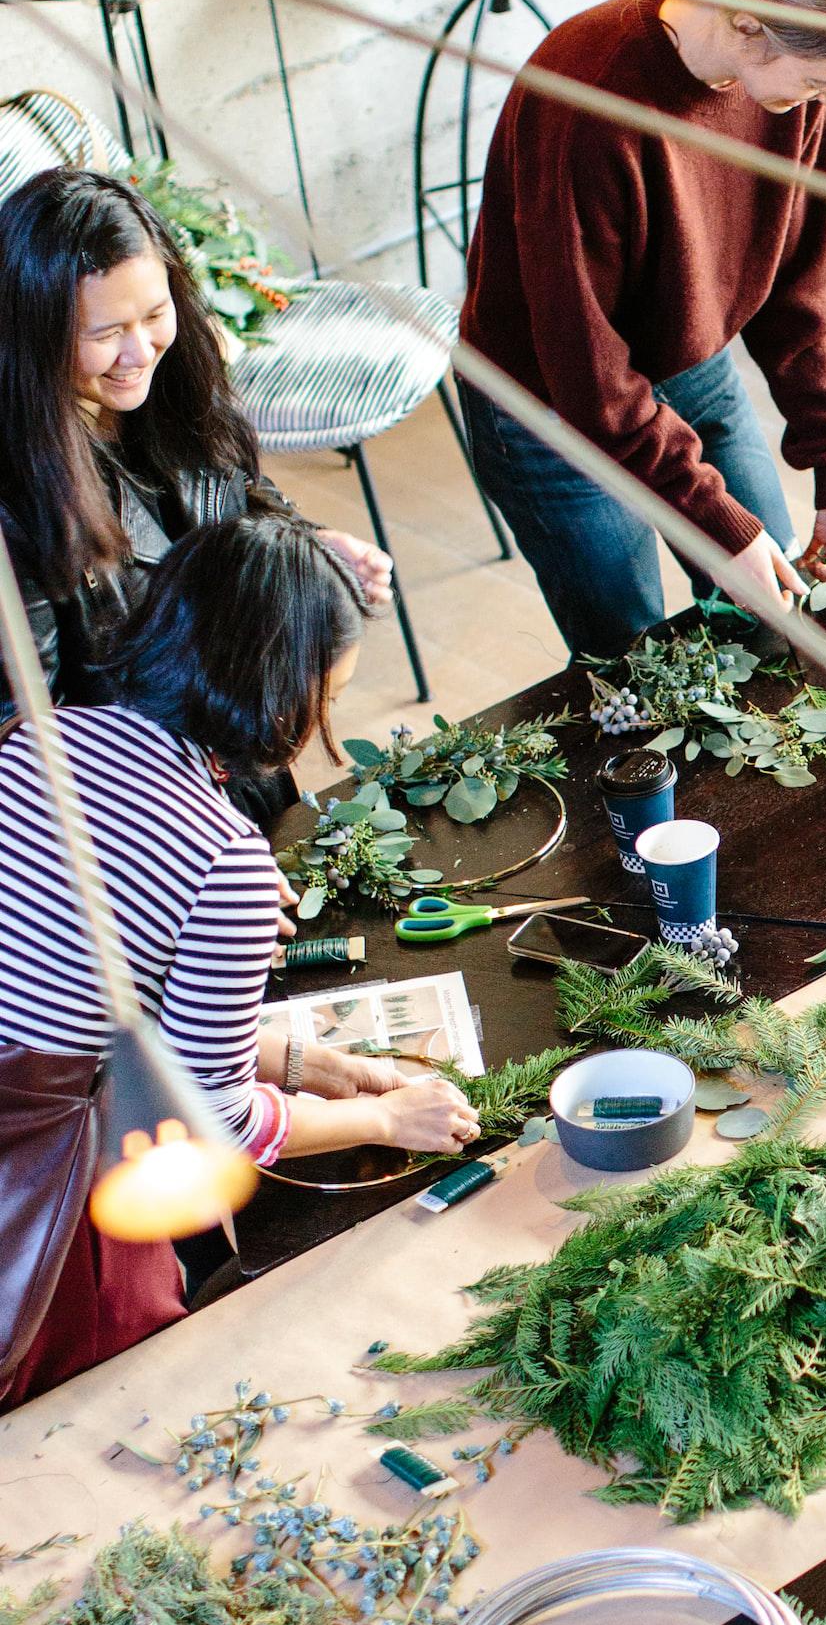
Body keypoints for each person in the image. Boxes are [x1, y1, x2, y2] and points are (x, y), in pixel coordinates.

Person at [1, 514, 479, 1405]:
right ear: (281, 687)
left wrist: (317, 1062)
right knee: (105, 1404)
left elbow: (102, 997)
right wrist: (390, 1120)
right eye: (327, 698)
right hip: (53, 1194)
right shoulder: (223, 857)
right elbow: (221, 1122)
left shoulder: (43, 740)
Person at [459, 0, 826, 658]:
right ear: (747, 25)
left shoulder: (789, 97)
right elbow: (589, 373)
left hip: (689, 360)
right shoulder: (590, 97)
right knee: (634, 658)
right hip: (547, 408)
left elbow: (802, 292)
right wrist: (717, 530)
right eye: (821, 80)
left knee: (774, 619)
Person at [0, 167, 394, 818]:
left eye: (156, 314)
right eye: (104, 335)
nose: (140, 350)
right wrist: (191, 845)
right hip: (132, 814)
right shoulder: (19, 502)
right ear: (36, 335)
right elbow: (30, 746)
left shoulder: (173, 385)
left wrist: (299, 546)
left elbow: (237, 489)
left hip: (224, 764)